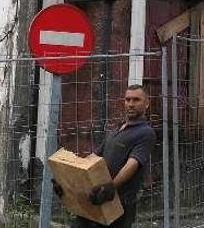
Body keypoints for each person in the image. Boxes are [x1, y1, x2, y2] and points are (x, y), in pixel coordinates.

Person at [54, 84, 157, 228]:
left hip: (120, 204)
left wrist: (111, 187)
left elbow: (132, 164)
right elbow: (92, 159)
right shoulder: (115, 130)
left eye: (136, 100)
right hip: (96, 198)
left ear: (146, 104)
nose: (131, 104)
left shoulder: (146, 133)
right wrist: (68, 182)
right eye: (128, 100)